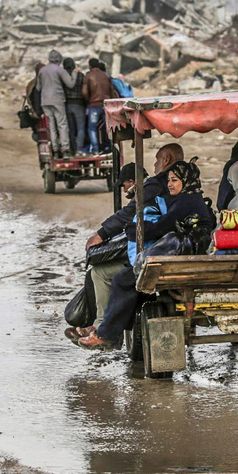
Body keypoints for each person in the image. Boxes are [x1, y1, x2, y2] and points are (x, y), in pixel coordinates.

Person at [79, 159, 214, 350]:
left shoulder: (186, 200)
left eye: (174, 180)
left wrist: (133, 230)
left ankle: (105, 335)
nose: (169, 184)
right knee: (127, 276)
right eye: (169, 180)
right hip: (188, 253)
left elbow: (161, 228)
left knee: (123, 280)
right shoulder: (189, 198)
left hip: (184, 252)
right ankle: (105, 330)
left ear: (186, 180)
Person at [67, 145, 185, 342]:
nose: (155, 165)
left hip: (161, 251)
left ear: (166, 160)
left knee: (106, 275)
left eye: (157, 160)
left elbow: (132, 214)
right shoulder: (188, 183)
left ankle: (104, 332)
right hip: (175, 247)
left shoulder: (160, 184)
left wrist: (102, 233)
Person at [35, 50, 76, 158]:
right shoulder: (60, 70)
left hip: (45, 101)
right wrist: (75, 74)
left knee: (51, 126)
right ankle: (65, 149)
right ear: (59, 59)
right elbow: (70, 84)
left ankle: (55, 150)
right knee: (62, 125)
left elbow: (38, 88)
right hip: (57, 100)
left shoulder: (42, 71)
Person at [82, 58, 116, 154]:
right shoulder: (105, 76)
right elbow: (111, 91)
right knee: (106, 127)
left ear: (90, 66)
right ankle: (107, 147)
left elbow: (84, 92)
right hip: (105, 105)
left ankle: (95, 149)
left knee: (92, 128)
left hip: (94, 105)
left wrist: (88, 101)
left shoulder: (88, 76)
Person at [61, 57, 86, 156]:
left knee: (71, 129)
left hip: (67, 104)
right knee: (80, 128)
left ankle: (72, 150)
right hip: (79, 104)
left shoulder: (63, 76)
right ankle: (79, 150)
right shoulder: (80, 75)